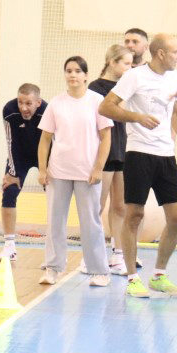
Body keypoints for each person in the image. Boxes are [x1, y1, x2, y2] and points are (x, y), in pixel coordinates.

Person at [98, 33, 177, 297]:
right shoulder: (135, 76)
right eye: (176, 51)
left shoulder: (174, 77)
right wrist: (136, 117)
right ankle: (132, 278)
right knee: (134, 216)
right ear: (161, 53)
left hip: (166, 155)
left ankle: (159, 275)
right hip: (139, 154)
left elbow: (176, 111)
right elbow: (105, 107)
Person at [36, 56, 113, 287]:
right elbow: (45, 140)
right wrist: (43, 169)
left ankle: (99, 270)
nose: (73, 75)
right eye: (69, 70)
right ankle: (53, 268)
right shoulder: (56, 103)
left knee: (91, 223)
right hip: (58, 172)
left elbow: (106, 137)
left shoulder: (97, 101)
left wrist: (98, 168)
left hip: (87, 174)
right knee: (55, 221)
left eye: (78, 71)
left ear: (86, 75)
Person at [89, 44, 134, 273]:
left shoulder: (126, 87)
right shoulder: (95, 88)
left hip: (123, 149)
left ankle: (118, 254)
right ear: (112, 62)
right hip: (104, 151)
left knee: (120, 206)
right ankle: (92, 254)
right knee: (97, 205)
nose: (130, 68)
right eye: (126, 63)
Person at [0, 83, 47, 262]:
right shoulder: (9, 110)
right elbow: (10, 142)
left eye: (28, 103)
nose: (23, 108)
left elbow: (53, 141)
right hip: (20, 155)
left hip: (44, 155)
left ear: (38, 103)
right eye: (20, 102)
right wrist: (12, 173)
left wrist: (46, 169)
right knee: (9, 191)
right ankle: (9, 246)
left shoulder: (47, 112)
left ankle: (55, 249)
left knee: (55, 197)